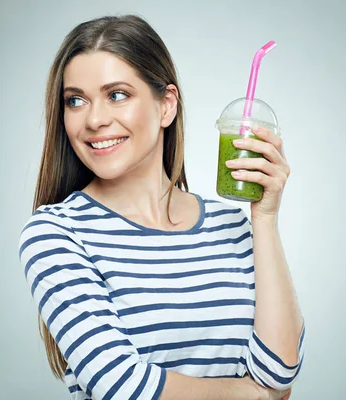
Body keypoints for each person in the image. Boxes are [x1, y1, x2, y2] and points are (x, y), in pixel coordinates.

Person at [18, 14, 305, 400]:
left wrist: (265, 219)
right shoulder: (57, 233)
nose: (95, 119)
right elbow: (122, 386)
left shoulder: (231, 227)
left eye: (117, 94)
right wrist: (252, 396)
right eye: (76, 100)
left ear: (166, 105)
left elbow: (279, 370)